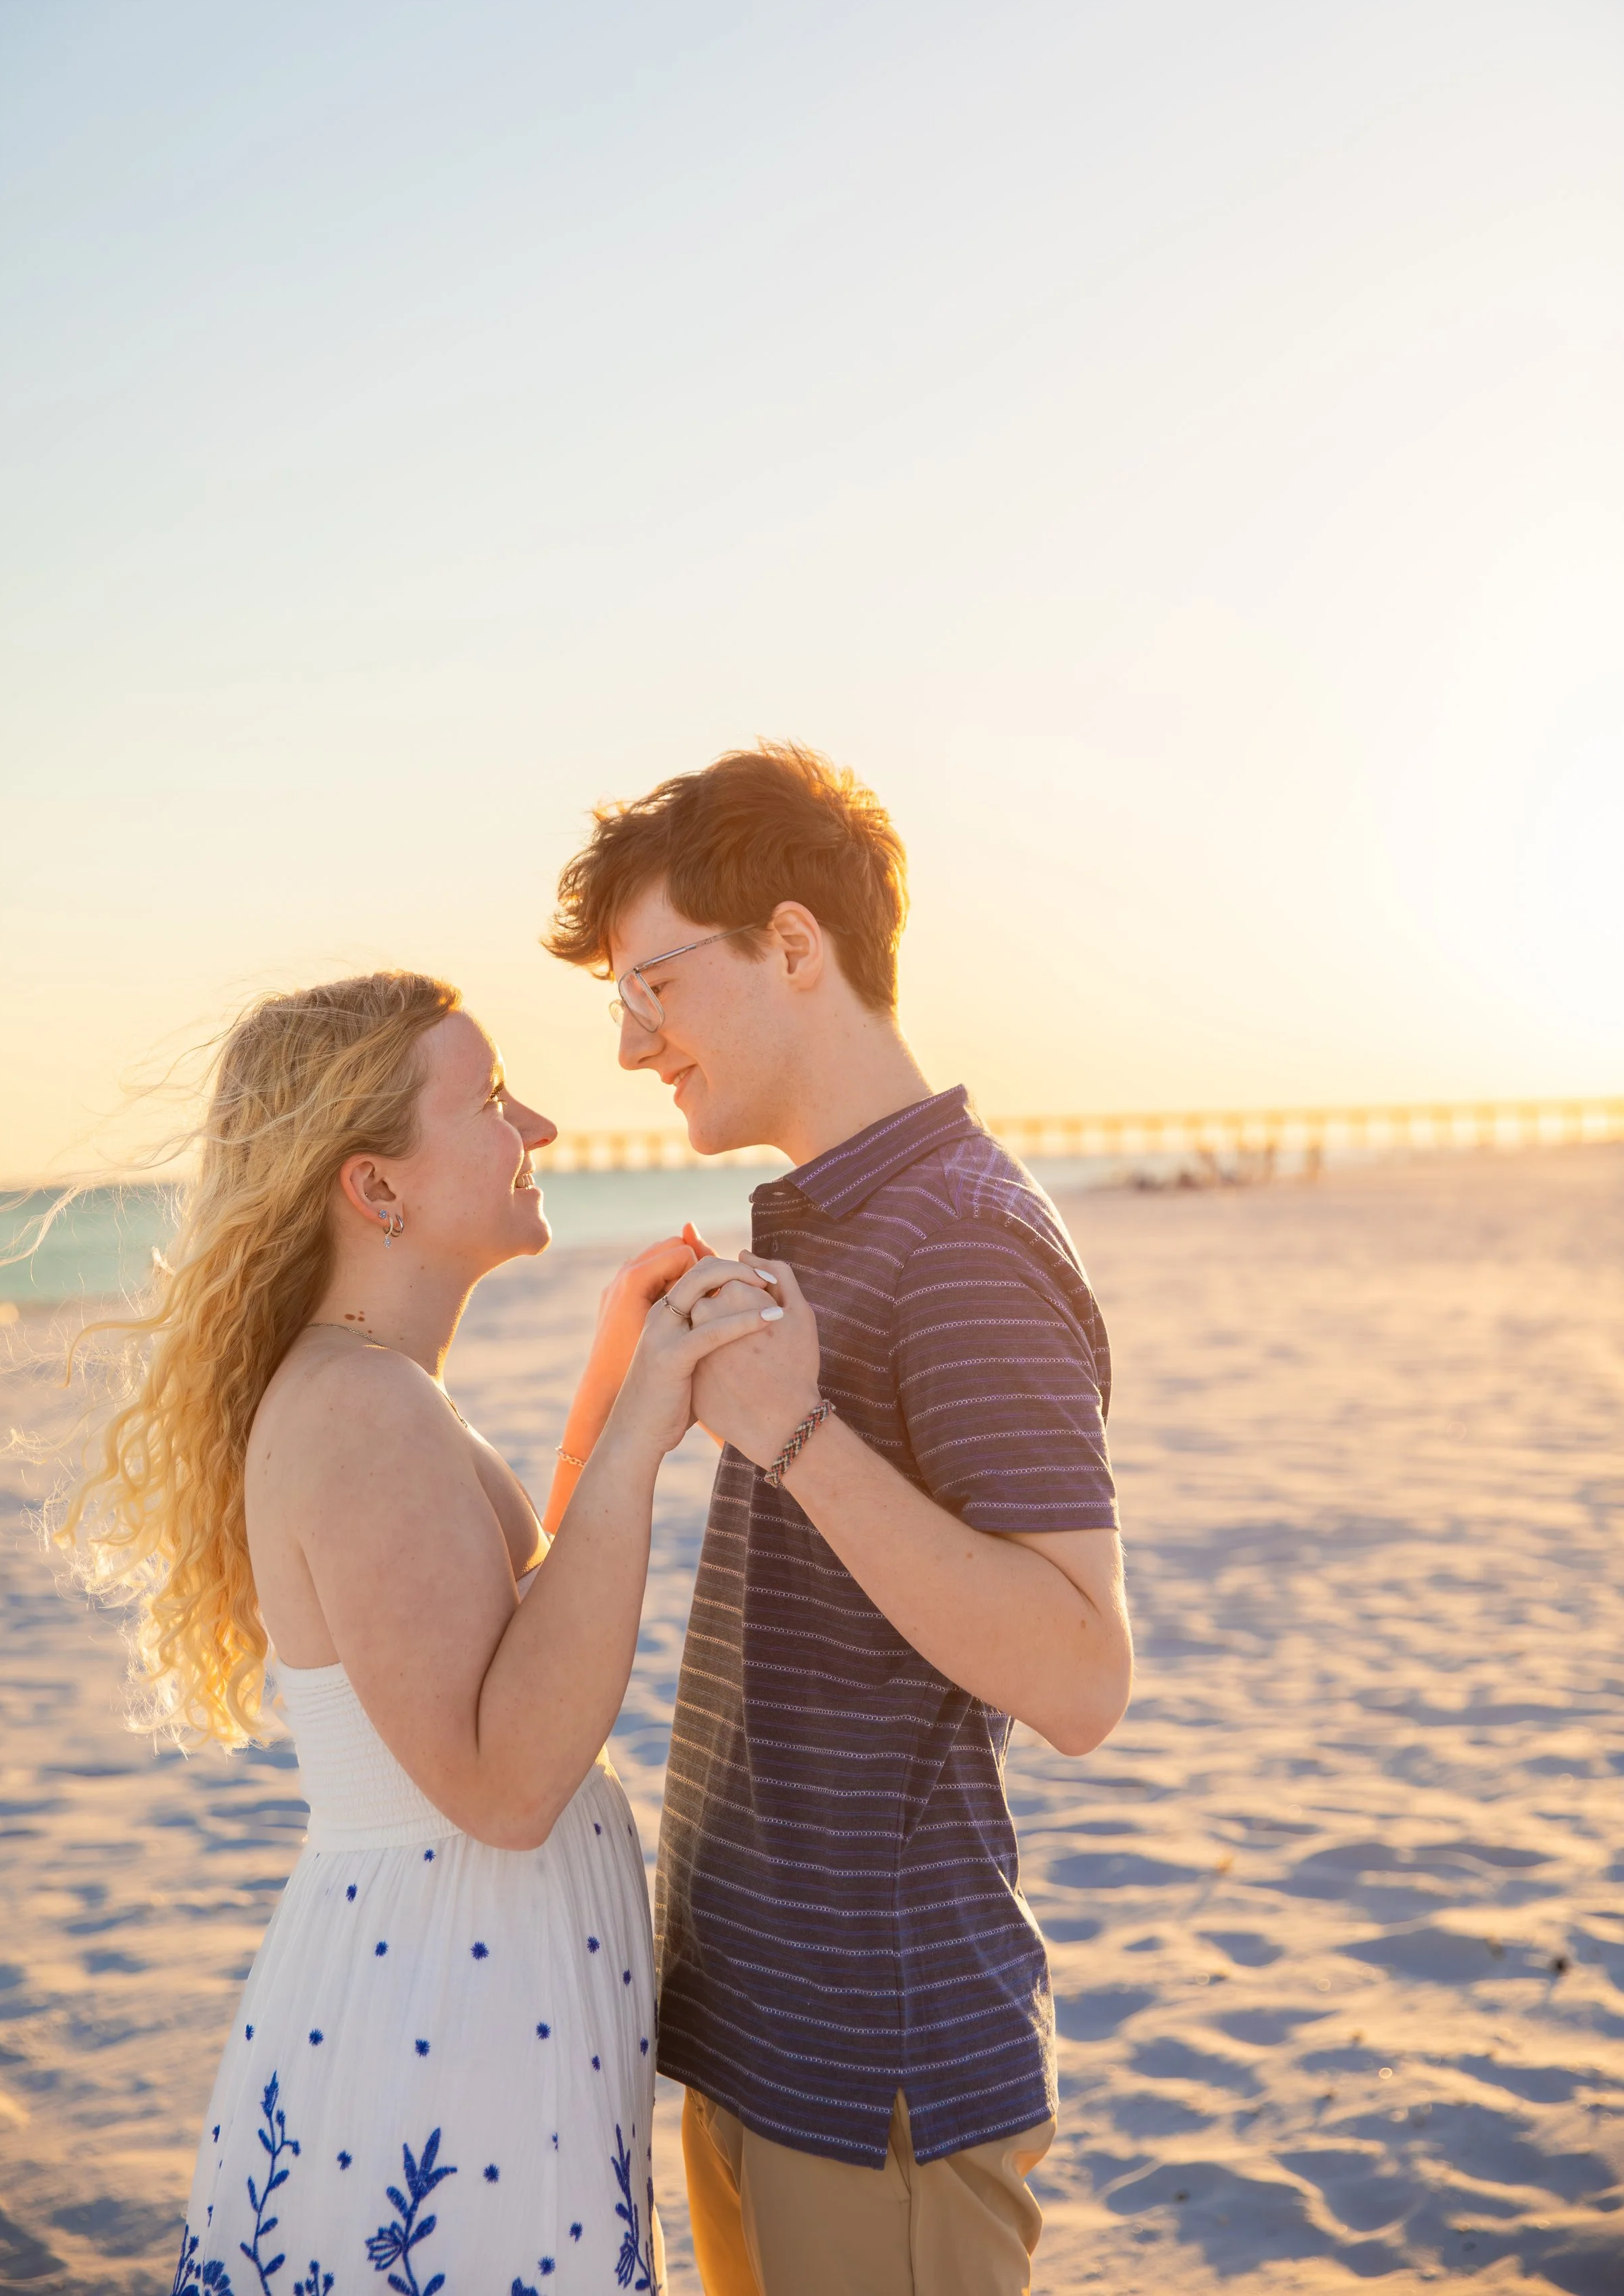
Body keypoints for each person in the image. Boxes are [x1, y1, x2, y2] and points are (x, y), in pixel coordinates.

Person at [60, 970, 779, 2296]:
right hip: (448, 2027)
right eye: (493, 1100)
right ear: (373, 1186)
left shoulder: (374, 1395)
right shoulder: (359, 1414)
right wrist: (636, 1436)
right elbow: (502, 1784)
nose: (543, 1129)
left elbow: (508, 1642)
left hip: (463, 2002)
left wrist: (615, 1393)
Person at [548, 745, 1133, 2296]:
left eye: (651, 990)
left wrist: (798, 1437)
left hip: (883, 2075)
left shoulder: (963, 1242)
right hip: (751, 2044)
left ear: (791, 947)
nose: (628, 1047)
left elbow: (1081, 1677)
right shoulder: (831, 1219)